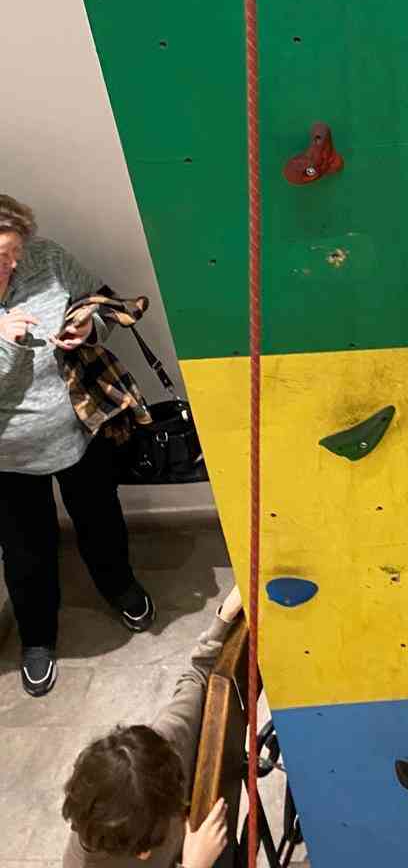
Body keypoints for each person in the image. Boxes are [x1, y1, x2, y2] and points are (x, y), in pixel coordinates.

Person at [0, 194, 156, 697]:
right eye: (2, 256)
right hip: (7, 458)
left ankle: (120, 587)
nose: (15, 264)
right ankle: (37, 637)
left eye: (17, 250)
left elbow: (104, 302)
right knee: (25, 551)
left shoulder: (46, 258)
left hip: (80, 430)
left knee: (100, 519)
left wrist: (90, 326)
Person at [61, 587, 242, 868]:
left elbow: (196, 676)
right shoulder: (82, 864)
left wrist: (225, 616)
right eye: (139, 848)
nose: (145, 855)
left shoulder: (165, 750)